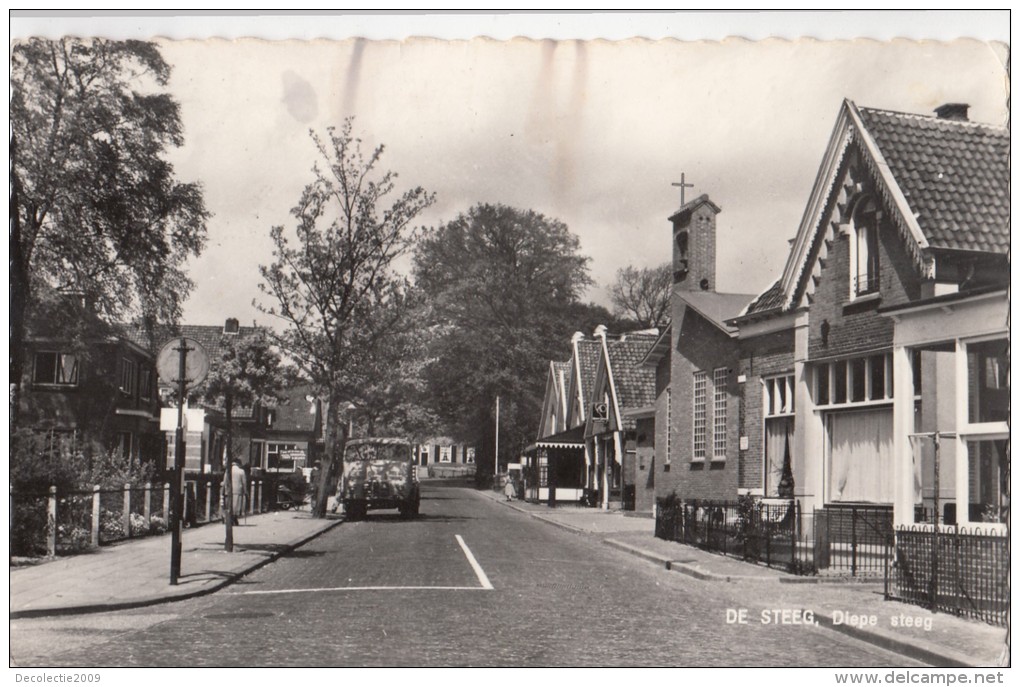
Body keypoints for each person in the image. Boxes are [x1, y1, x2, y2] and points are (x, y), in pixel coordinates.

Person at [223, 458, 247, 526]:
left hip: (229, 491)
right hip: (237, 491)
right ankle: (234, 518)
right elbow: (244, 483)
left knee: (229, 505)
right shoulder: (241, 471)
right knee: (236, 506)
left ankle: (230, 519)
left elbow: (225, 481)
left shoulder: (228, 470)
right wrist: (245, 491)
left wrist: (224, 490)